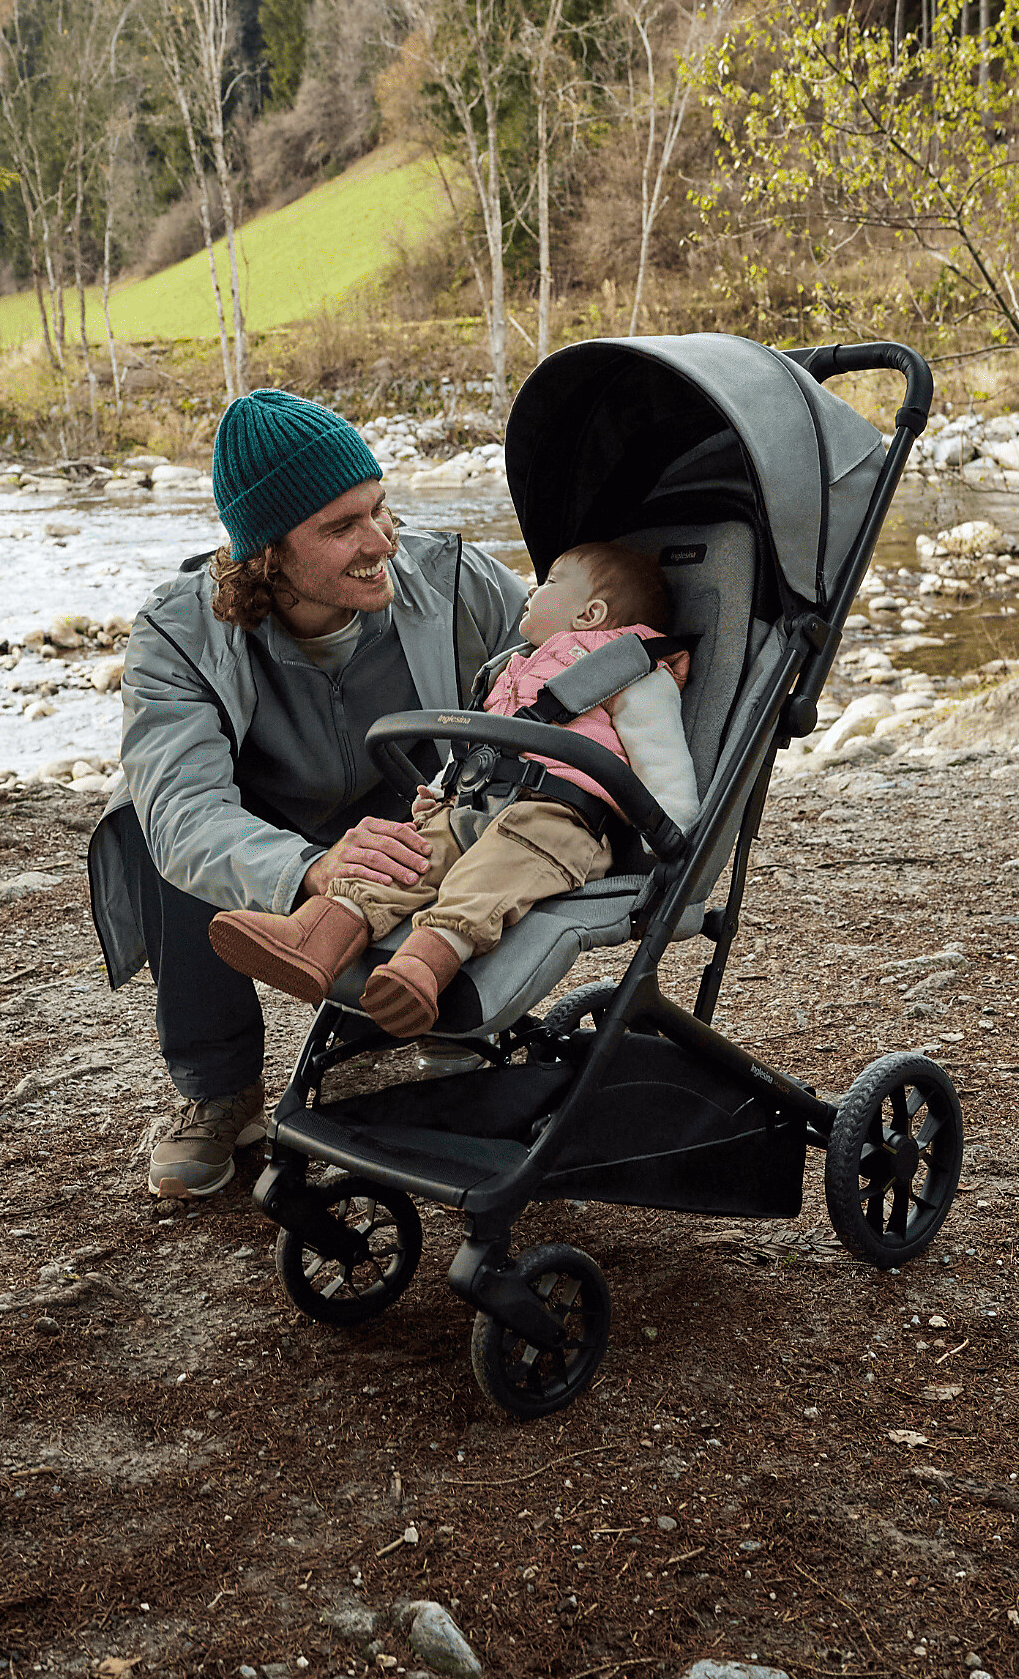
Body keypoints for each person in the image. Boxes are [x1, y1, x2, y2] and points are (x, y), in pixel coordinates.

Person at [86, 389, 528, 1198]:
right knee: (149, 826)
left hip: (415, 814)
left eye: (379, 508)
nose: (382, 541)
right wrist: (310, 868)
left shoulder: (459, 582)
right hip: (270, 831)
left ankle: (451, 1015)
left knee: (493, 808)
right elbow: (185, 813)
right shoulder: (176, 631)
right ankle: (220, 1090)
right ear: (267, 555)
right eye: (341, 526)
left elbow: (553, 669)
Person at [207, 541, 700, 1038]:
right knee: (410, 854)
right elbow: (482, 742)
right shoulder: (517, 665)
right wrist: (441, 787)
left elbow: (661, 757)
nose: (531, 589)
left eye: (548, 582)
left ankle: (422, 966)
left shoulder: (629, 671)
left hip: (557, 818)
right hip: (474, 800)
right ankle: (317, 935)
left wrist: (668, 839)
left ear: (590, 614)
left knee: (492, 874)